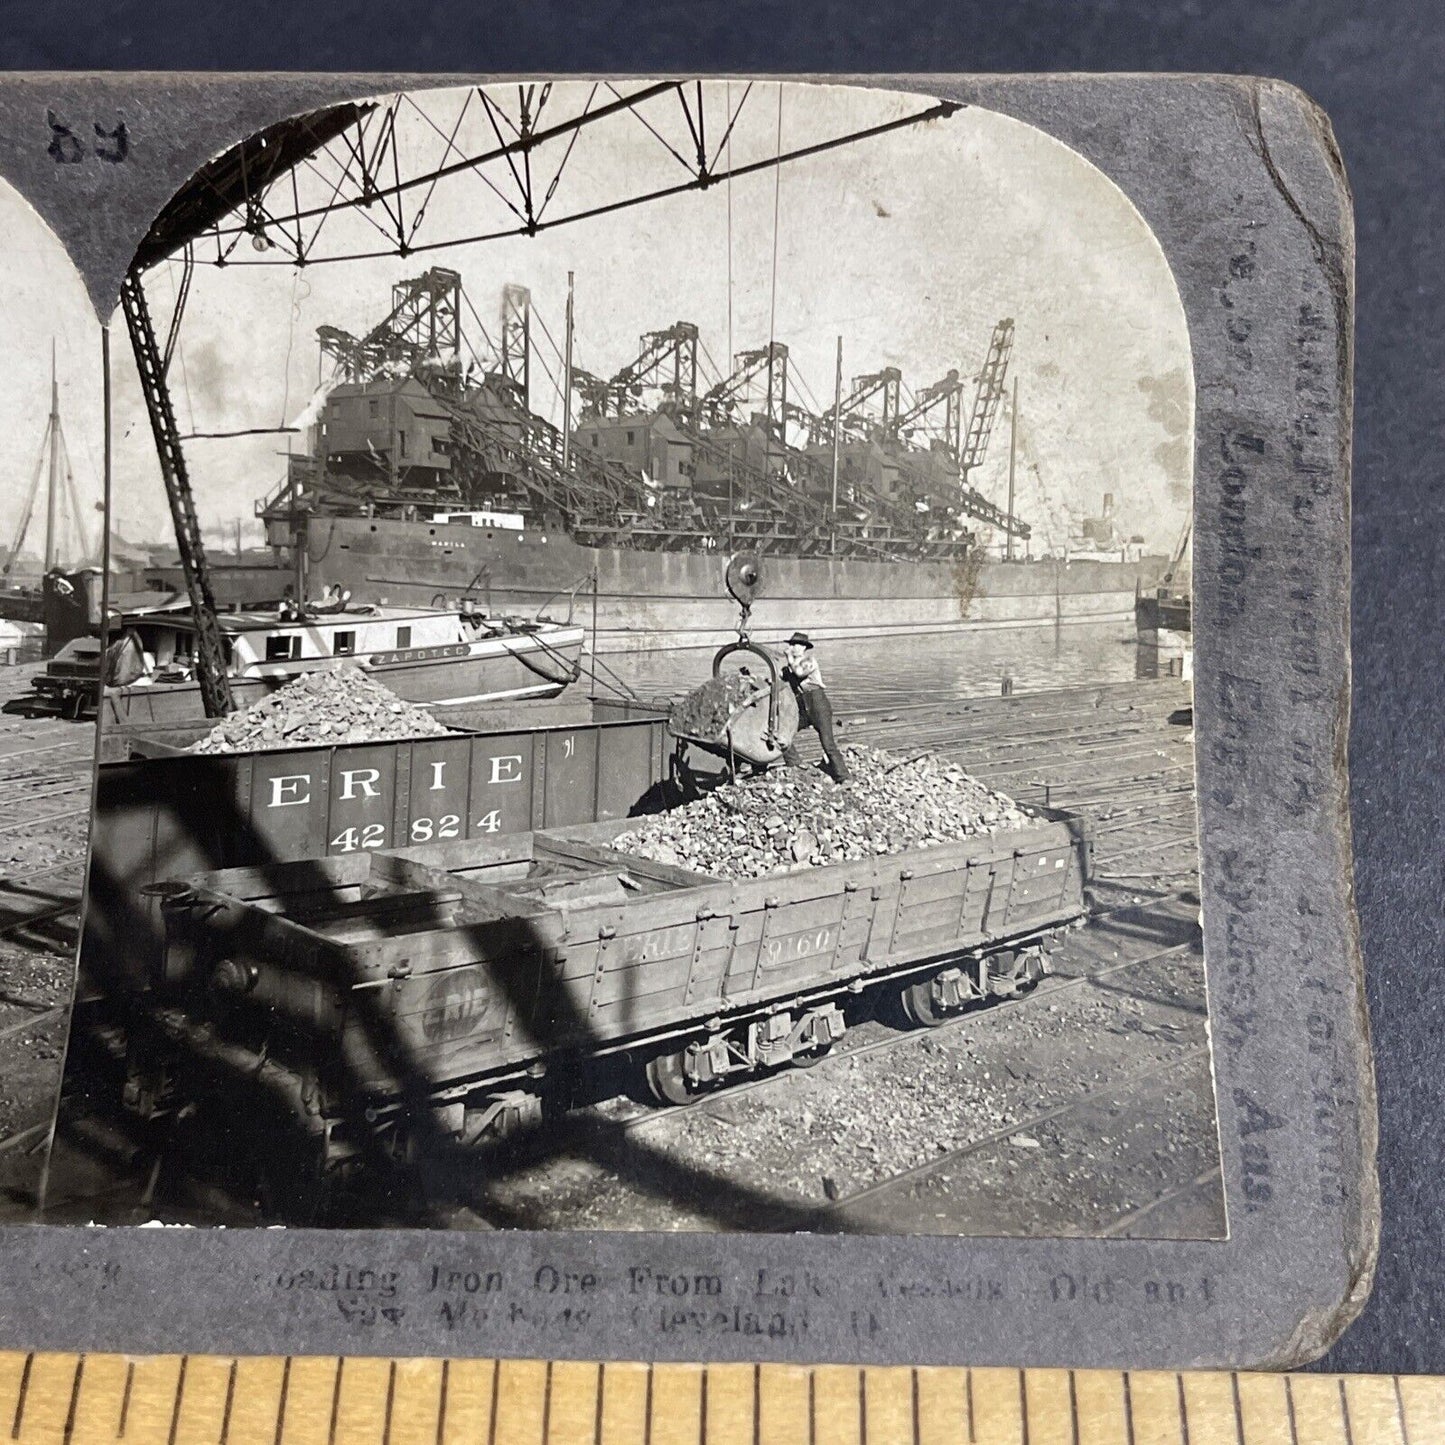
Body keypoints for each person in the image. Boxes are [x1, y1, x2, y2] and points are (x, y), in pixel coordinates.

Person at [778, 631, 851, 783]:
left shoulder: (809, 660)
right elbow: (783, 680)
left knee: (828, 743)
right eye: (791, 645)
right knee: (783, 733)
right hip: (802, 706)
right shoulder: (790, 665)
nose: (793, 648)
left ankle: (844, 777)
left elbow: (799, 673)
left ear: (804, 647)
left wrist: (789, 658)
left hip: (818, 704)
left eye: (796, 645)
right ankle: (794, 763)